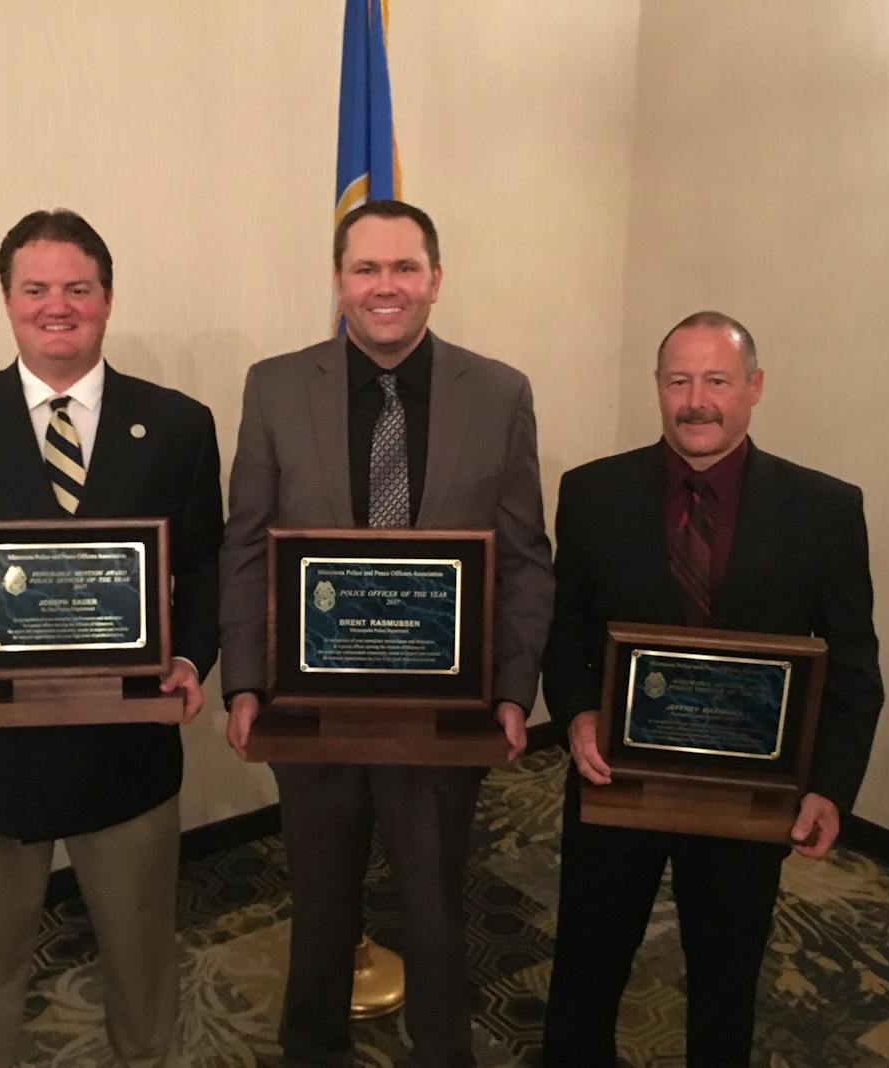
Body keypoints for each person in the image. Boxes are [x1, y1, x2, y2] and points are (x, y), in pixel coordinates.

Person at [0, 209, 222, 1068]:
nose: (57, 305)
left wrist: (185, 658)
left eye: (78, 288)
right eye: (36, 289)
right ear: (6, 299)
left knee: (143, 965)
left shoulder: (177, 423)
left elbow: (207, 568)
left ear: (106, 297)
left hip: (124, 750)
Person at [218, 199, 554, 1067]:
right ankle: (314, 1051)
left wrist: (516, 693)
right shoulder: (275, 386)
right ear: (339, 281)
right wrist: (246, 682)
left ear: (436, 281)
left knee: (439, 908)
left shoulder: (502, 392)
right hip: (310, 707)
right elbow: (246, 544)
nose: (385, 287)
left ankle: (443, 1052)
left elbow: (523, 556)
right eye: (366, 269)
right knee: (321, 905)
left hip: (445, 711)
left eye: (404, 268)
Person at [541, 310, 884, 1066]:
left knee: (726, 982)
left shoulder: (826, 511)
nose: (697, 400)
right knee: (586, 970)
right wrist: (574, 716)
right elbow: (564, 629)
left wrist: (829, 785)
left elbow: (853, 664)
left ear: (754, 388)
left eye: (718, 381)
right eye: (679, 381)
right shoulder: (592, 492)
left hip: (748, 796)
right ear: (659, 389)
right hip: (616, 782)